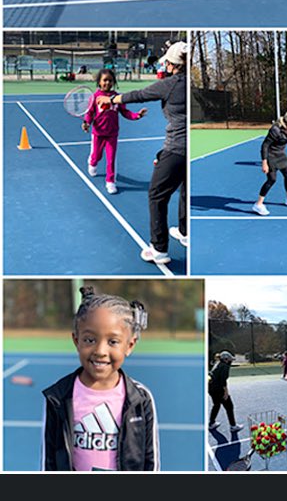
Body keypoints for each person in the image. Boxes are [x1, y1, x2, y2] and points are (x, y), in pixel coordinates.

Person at [41, 285, 158, 471]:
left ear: (130, 345)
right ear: (76, 341)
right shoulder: (58, 397)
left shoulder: (141, 398)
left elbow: (150, 460)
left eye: (113, 342)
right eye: (89, 340)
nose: (100, 351)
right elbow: (49, 460)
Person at [110, 41, 189, 262]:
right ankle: (185, 232)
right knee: (185, 187)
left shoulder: (172, 83)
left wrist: (113, 99)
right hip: (186, 151)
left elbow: (140, 94)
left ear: (173, 65)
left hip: (177, 148)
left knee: (157, 195)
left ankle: (159, 248)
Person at [83, 67, 146, 195]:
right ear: (99, 82)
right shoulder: (94, 97)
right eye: (105, 80)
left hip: (112, 134)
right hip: (98, 134)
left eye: (110, 80)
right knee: (97, 155)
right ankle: (92, 161)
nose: (107, 83)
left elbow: (125, 112)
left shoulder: (117, 98)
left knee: (111, 159)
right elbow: (90, 113)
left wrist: (137, 116)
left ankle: (110, 181)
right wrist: (86, 123)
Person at [253, 110, 287, 215]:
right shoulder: (275, 130)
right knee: (272, 179)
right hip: (271, 156)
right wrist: (264, 162)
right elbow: (265, 146)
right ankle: (258, 204)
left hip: (281, 155)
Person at [207, 350, 240, 433]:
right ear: (225, 359)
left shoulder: (217, 363)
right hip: (218, 389)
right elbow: (223, 381)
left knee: (216, 405)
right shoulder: (225, 366)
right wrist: (226, 393)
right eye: (230, 359)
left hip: (210, 388)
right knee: (229, 406)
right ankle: (233, 426)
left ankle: (211, 423)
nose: (231, 361)